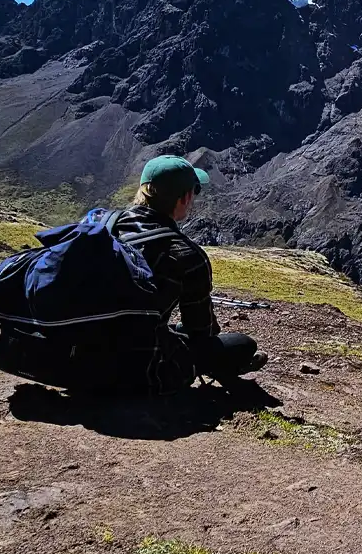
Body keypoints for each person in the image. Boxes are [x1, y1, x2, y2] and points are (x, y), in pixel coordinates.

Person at [110, 155, 268, 393]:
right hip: (132, 366)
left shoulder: (105, 227)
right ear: (184, 198)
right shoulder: (187, 255)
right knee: (242, 345)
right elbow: (201, 332)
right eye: (194, 191)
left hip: (75, 349)